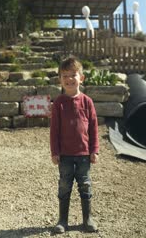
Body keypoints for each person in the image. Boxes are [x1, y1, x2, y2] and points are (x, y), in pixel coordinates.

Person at [50, 57, 99, 233]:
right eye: (65, 76)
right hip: (65, 155)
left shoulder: (87, 102)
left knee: (85, 185)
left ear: (81, 78)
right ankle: (63, 220)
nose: (69, 79)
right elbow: (54, 131)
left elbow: (93, 127)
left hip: (84, 155)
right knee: (64, 186)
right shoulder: (58, 104)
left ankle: (88, 219)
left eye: (73, 75)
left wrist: (94, 150)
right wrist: (55, 152)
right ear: (60, 80)